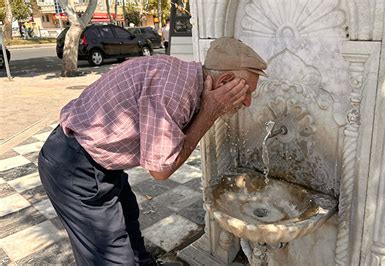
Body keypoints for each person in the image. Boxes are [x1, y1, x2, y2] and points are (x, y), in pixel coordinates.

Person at [38, 37, 267, 265]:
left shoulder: (184, 77)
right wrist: (210, 112)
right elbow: (160, 171)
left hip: (98, 158)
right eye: (245, 92)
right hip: (73, 164)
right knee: (111, 257)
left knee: (130, 227)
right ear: (225, 80)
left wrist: (208, 108)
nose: (247, 102)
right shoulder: (174, 92)